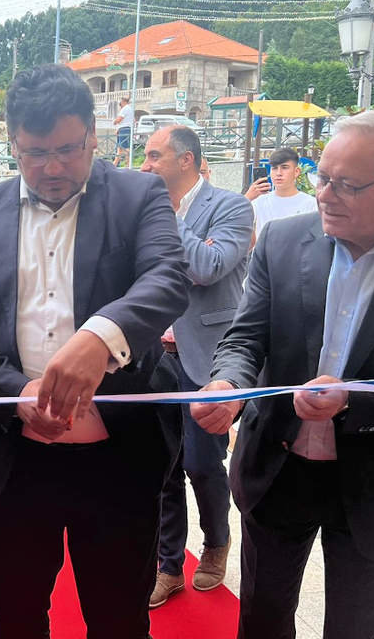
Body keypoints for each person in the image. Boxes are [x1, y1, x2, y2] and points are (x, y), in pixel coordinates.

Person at [191, 110, 374, 639]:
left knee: (356, 626)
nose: (325, 194)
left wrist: (352, 401)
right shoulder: (280, 242)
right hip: (277, 468)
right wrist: (228, 385)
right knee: (262, 616)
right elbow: (245, 338)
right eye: (321, 177)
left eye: (346, 185)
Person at [0, 64, 190, 638]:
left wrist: (100, 337)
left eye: (68, 150)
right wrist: (15, 391)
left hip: (118, 457)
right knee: (19, 615)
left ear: (95, 135)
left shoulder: (137, 194)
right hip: (16, 457)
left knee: (119, 617)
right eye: (34, 153)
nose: (51, 168)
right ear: (13, 143)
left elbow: (168, 278)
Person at [139, 125, 253, 607]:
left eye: (153, 156)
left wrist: (166, 216)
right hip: (151, 356)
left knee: (203, 463)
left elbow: (209, 267)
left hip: (207, 355)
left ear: (185, 160)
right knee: (159, 466)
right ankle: (168, 565)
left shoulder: (232, 207)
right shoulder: (142, 211)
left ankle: (216, 543)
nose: (144, 166)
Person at [249, 147, 318, 239]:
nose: (279, 173)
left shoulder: (311, 204)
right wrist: (247, 198)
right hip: (264, 253)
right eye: (274, 168)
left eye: (284, 168)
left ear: (296, 171)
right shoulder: (258, 202)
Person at [113, 97, 133, 167]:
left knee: (124, 147)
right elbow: (133, 120)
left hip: (124, 129)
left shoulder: (125, 109)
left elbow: (119, 119)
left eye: (120, 102)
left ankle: (128, 164)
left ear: (123, 101)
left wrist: (114, 122)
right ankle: (115, 163)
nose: (120, 104)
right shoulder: (130, 109)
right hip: (127, 128)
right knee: (120, 147)